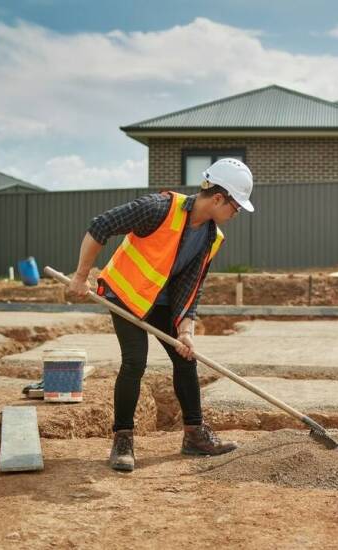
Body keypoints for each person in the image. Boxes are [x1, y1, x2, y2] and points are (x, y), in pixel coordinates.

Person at [68, 158, 255, 471]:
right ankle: (123, 439)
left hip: (162, 301)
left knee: (186, 359)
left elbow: (192, 287)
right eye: (236, 206)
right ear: (218, 198)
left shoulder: (212, 237)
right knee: (135, 362)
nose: (236, 213)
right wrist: (80, 275)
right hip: (126, 294)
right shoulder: (159, 208)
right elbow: (100, 226)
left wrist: (185, 331)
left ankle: (194, 436)